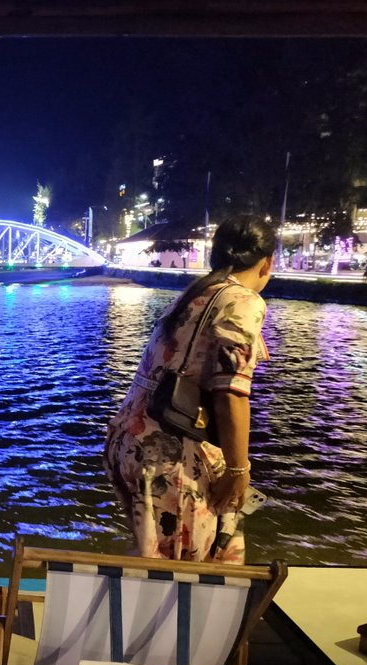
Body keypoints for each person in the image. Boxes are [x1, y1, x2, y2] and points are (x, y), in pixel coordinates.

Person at [103, 214, 276, 564]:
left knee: (156, 557)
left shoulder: (196, 293)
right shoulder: (243, 301)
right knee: (187, 569)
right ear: (267, 263)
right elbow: (231, 392)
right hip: (172, 452)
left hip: (132, 440)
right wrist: (239, 470)